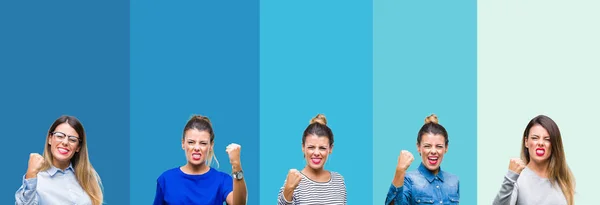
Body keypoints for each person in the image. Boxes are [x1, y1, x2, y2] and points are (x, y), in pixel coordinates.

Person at [153, 115, 247, 205]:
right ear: (183, 143)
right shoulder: (166, 179)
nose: (197, 148)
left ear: (211, 145)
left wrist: (236, 166)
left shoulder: (222, 180)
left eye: (203, 143)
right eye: (191, 142)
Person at [15, 115, 103, 205]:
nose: (65, 142)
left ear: (78, 147)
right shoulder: (36, 181)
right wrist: (31, 174)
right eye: (60, 136)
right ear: (50, 139)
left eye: (72, 140)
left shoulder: (87, 177)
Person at [493, 115, 575, 205]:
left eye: (547, 139)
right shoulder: (517, 179)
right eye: (535, 138)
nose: (540, 143)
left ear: (554, 145)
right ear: (526, 142)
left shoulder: (563, 180)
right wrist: (510, 178)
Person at [385, 114, 459, 205]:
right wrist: (399, 171)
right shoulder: (408, 180)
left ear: (446, 147)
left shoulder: (454, 181)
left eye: (439, 146)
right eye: (427, 146)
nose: (433, 151)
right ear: (418, 147)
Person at [277, 114, 347, 204]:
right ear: (303, 147)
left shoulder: (339, 180)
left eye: (322, 148)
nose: (317, 153)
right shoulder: (293, 181)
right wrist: (288, 189)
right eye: (311, 147)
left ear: (330, 149)